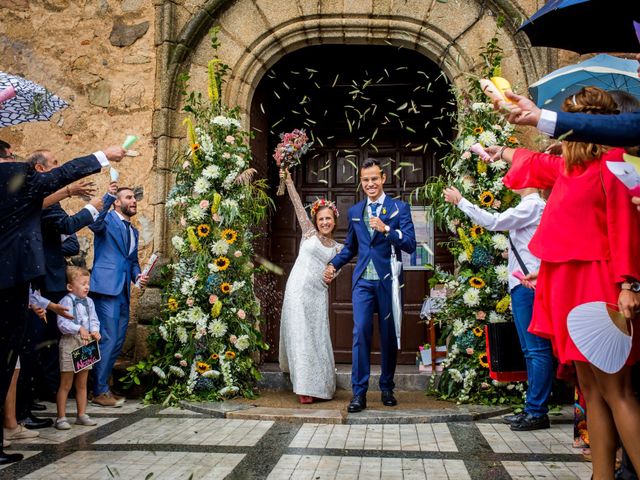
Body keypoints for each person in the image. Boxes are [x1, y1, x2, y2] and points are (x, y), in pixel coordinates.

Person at [492, 87, 640, 479]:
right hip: (566, 285)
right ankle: (601, 476)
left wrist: (630, 284)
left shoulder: (613, 162)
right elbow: (531, 162)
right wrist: (497, 151)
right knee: (590, 391)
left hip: (600, 284)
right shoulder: (568, 169)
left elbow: (624, 229)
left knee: (616, 390)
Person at [0, 141, 125, 465]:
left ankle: (14, 421)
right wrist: (103, 157)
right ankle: (19, 417)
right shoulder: (13, 175)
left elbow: (45, 198)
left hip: (20, 283)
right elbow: (57, 190)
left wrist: (72, 191)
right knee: (15, 356)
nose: (15, 161)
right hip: (13, 280)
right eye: (10, 156)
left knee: (16, 357)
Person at [443, 184, 554, 431]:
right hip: (522, 283)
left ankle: (537, 411)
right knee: (529, 350)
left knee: (536, 350)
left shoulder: (533, 205)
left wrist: (461, 201)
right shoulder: (530, 206)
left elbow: (494, 222)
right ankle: (532, 408)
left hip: (529, 285)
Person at [324, 158, 416, 413]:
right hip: (363, 281)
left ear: (383, 178)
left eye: (374, 178)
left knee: (388, 336)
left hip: (388, 282)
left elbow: (409, 243)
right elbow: (351, 247)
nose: (370, 184)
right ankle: (359, 393)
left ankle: (386, 387)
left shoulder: (399, 208)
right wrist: (334, 264)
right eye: (365, 180)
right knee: (361, 332)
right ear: (361, 182)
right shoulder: (355, 212)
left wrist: (386, 228)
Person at [27, 149, 117, 404]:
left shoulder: (49, 200)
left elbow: (71, 242)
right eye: (54, 162)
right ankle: (47, 393)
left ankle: (62, 393)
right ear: (41, 170)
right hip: (45, 278)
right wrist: (93, 207)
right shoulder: (41, 199)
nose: (58, 165)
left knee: (56, 339)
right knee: (45, 340)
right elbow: (66, 227)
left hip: (51, 276)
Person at [278, 171, 342, 403]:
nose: (324, 222)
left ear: (335, 220)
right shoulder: (308, 234)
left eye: (328, 218)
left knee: (316, 337)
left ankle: (320, 384)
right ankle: (304, 388)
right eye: (321, 219)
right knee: (300, 336)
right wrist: (289, 182)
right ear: (316, 221)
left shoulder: (338, 249)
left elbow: (334, 273)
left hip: (316, 296)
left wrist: (331, 272)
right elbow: (297, 205)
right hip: (296, 292)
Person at [89, 187, 148, 407]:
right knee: (107, 338)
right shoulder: (106, 220)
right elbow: (93, 223)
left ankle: (100, 384)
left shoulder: (133, 231)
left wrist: (138, 277)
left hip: (123, 289)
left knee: (118, 341)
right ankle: (99, 390)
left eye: (134, 197)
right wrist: (107, 197)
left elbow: (131, 261)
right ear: (117, 202)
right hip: (105, 288)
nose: (134, 201)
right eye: (129, 197)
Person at [55, 266, 101, 430]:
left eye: (88, 283)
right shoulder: (65, 301)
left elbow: (94, 319)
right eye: (82, 283)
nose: (86, 287)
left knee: (82, 383)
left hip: (85, 343)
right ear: (70, 287)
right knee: (66, 383)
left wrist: (95, 331)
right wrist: (78, 328)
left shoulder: (90, 302)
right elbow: (62, 324)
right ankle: (61, 417)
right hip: (70, 342)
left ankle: (81, 414)